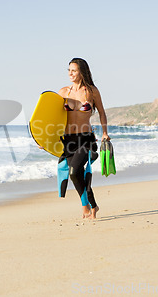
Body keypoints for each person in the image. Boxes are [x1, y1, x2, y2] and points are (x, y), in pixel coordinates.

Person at [58, 58, 110, 219]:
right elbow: (53, 118)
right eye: (69, 70)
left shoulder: (91, 91)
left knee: (74, 172)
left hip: (85, 138)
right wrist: (44, 139)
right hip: (68, 140)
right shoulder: (63, 92)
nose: (70, 73)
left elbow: (101, 112)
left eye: (74, 70)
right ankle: (93, 205)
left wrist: (104, 133)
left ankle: (86, 206)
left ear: (82, 72)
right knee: (76, 173)